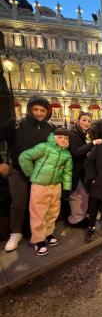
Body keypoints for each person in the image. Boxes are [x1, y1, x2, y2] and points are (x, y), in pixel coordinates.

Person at [0, 95, 54, 252]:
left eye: (42, 110)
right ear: (30, 109)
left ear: (47, 111)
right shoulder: (15, 124)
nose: (38, 113)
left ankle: (36, 232)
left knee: (38, 205)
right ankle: (15, 233)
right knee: (19, 203)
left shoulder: (49, 128)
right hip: (18, 171)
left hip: (40, 174)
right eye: (35, 109)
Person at [18, 129, 72, 256]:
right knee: (38, 213)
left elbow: (67, 173)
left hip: (56, 186)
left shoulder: (67, 155)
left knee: (53, 212)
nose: (64, 140)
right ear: (54, 137)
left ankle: (48, 234)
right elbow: (24, 157)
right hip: (40, 186)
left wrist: (67, 188)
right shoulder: (44, 147)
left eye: (66, 138)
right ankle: (39, 240)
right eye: (60, 137)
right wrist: (32, 174)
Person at [68, 112, 102, 227]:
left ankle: (82, 216)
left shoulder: (88, 133)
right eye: (84, 120)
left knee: (84, 194)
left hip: (85, 169)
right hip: (75, 169)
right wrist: (92, 144)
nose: (87, 123)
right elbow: (76, 152)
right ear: (78, 121)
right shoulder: (72, 134)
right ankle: (76, 219)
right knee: (77, 195)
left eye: (89, 121)